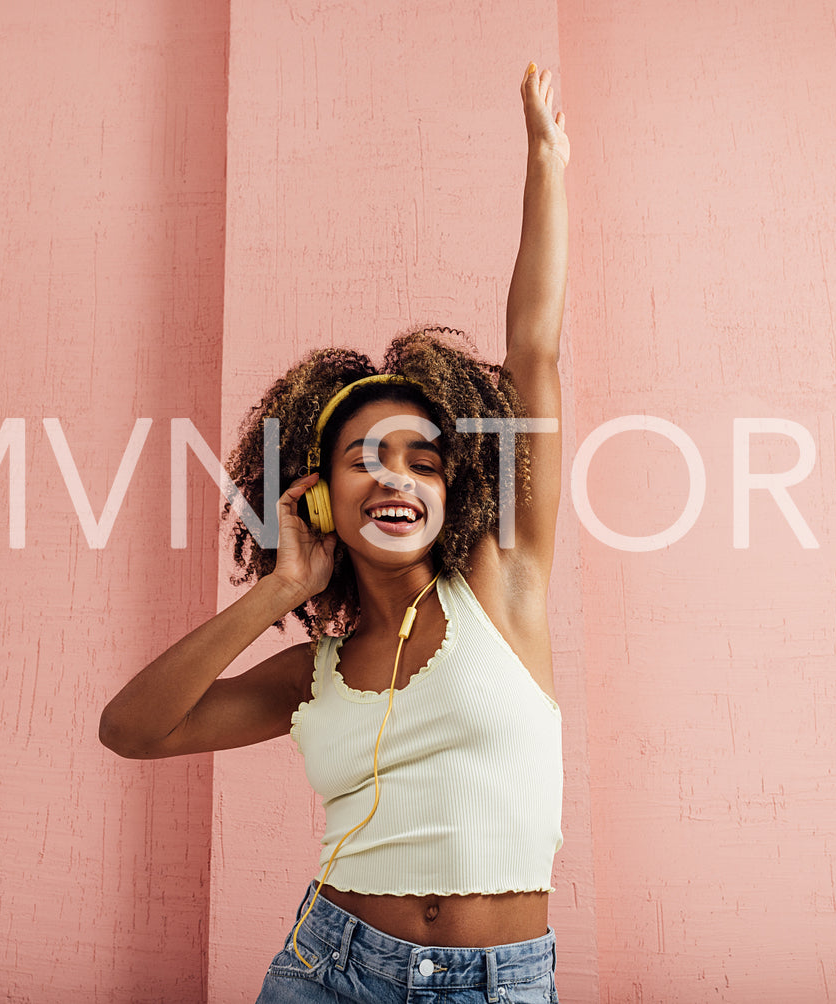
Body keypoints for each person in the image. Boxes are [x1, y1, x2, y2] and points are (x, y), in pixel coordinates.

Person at [100, 61, 570, 1004]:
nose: (396, 474)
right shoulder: (310, 674)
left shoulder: (503, 584)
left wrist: (545, 167)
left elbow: (533, 352)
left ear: (456, 492)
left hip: (496, 984)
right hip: (329, 969)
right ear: (316, 491)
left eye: (423, 460)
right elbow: (132, 732)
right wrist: (275, 589)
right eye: (365, 456)